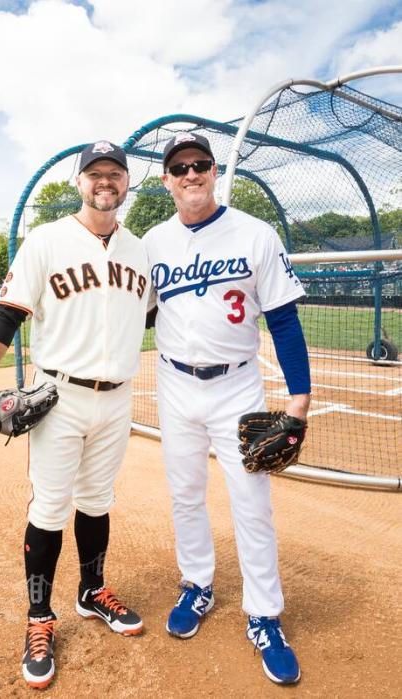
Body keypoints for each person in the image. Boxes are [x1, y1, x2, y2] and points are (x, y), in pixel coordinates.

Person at [0, 141, 149, 690]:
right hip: (59, 396)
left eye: (114, 173)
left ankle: (92, 592)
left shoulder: (139, 250)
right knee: (49, 506)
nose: (105, 182)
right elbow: (7, 316)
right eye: (95, 174)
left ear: (125, 184)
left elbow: (149, 319)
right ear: (80, 183)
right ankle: (39, 617)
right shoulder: (46, 241)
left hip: (117, 397)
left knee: (97, 500)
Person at [143, 133, 311, 685]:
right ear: (166, 180)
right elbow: (135, 316)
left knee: (251, 502)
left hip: (238, 388)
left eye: (200, 165)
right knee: (185, 493)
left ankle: (264, 615)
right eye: (179, 167)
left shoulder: (255, 233)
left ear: (214, 172)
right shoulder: (152, 243)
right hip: (173, 383)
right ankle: (198, 585)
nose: (190, 174)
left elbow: (283, 320)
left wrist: (299, 402)